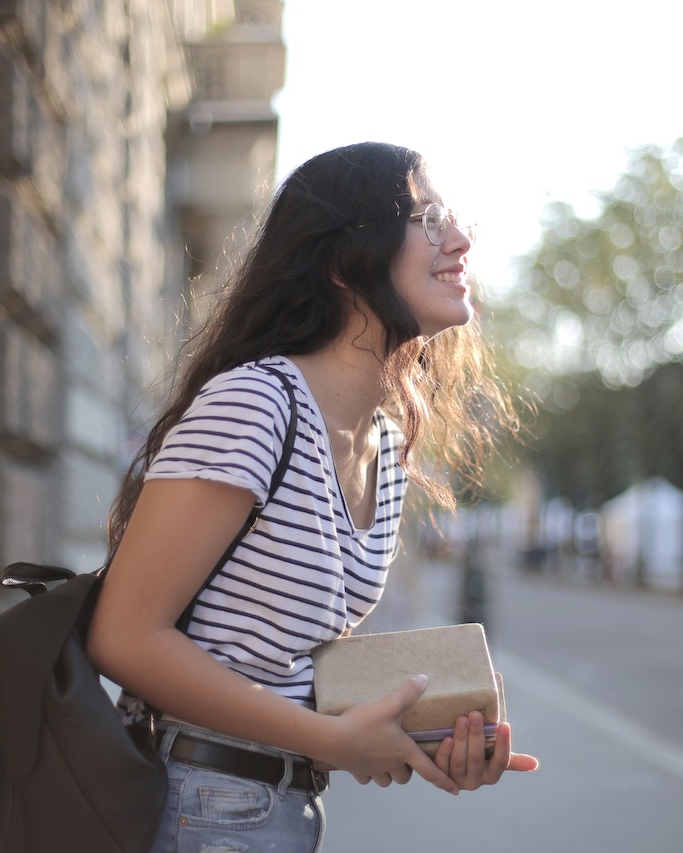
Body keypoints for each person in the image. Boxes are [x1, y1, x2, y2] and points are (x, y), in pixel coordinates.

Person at [87, 141, 538, 853]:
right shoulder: (255, 404)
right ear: (342, 259)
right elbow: (123, 635)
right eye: (426, 219)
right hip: (200, 806)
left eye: (451, 218)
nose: (460, 239)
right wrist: (331, 736)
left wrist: (418, 734)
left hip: (280, 809)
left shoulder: (385, 447)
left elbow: (286, 667)